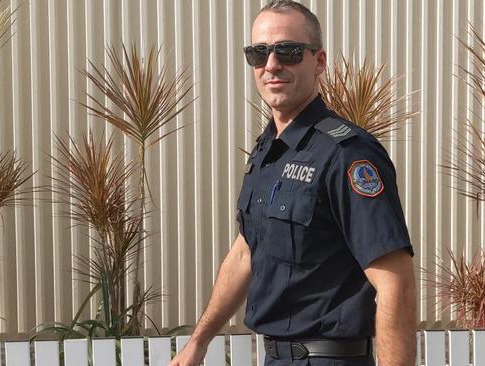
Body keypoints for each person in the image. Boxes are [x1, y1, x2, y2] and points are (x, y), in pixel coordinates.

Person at [169, 1, 416, 365]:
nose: (271, 64)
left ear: (319, 62)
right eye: (258, 53)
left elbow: (395, 284)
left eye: (288, 51)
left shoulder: (347, 154)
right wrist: (199, 341)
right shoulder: (269, 151)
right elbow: (246, 250)